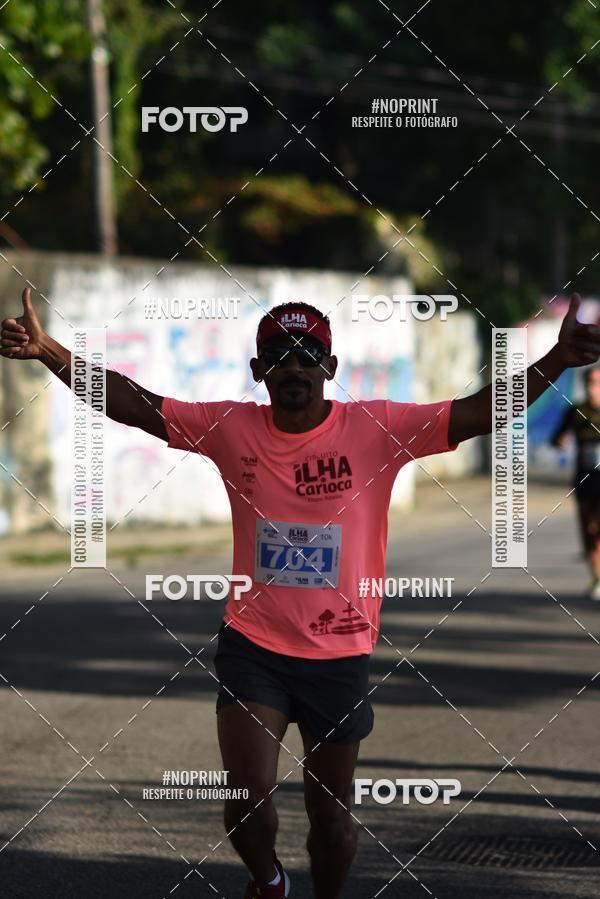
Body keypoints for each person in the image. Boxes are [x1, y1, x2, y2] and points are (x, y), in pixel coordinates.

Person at [2, 288, 599, 899]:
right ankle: (269, 879)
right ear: (259, 371)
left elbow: (479, 411)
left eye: (308, 354)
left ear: (330, 368)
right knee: (245, 801)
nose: (294, 366)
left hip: (339, 656)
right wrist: (49, 349)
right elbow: (134, 404)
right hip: (253, 646)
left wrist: (554, 361)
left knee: (331, 822)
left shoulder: (377, 430)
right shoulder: (231, 429)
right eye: (279, 356)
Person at [551, 366, 600, 598]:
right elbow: (556, 437)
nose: (593, 389)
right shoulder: (576, 412)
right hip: (584, 478)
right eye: (589, 383)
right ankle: (597, 577)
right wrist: (561, 440)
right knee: (588, 530)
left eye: (597, 383)